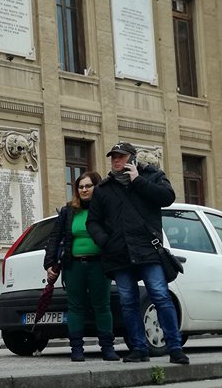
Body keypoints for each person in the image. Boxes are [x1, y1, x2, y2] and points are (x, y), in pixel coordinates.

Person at [86, 142, 189, 364]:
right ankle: (139, 349)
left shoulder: (152, 176)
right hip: (119, 253)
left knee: (160, 296)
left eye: (121, 156)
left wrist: (138, 181)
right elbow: (92, 222)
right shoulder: (103, 188)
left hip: (147, 249)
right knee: (128, 301)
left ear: (133, 158)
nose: (116, 160)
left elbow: (167, 197)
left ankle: (175, 348)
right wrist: (106, 242)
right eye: (113, 157)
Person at [43, 171, 118, 362]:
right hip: (73, 265)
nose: (84, 190)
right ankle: (76, 349)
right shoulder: (68, 211)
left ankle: (108, 348)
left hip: (99, 265)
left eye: (88, 186)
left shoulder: (105, 209)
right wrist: (50, 263)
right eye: (80, 187)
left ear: (97, 187)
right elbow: (55, 237)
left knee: (102, 306)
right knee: (75, 307)